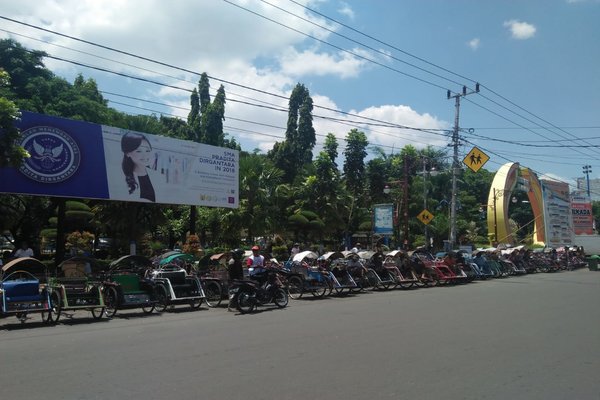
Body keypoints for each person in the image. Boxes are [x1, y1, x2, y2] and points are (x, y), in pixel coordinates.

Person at [121, 131, 156, 202]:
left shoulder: (157, 176)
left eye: (147, 150)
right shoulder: (124, 178)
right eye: (139, 151)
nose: (145, 155)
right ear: (128, 153)